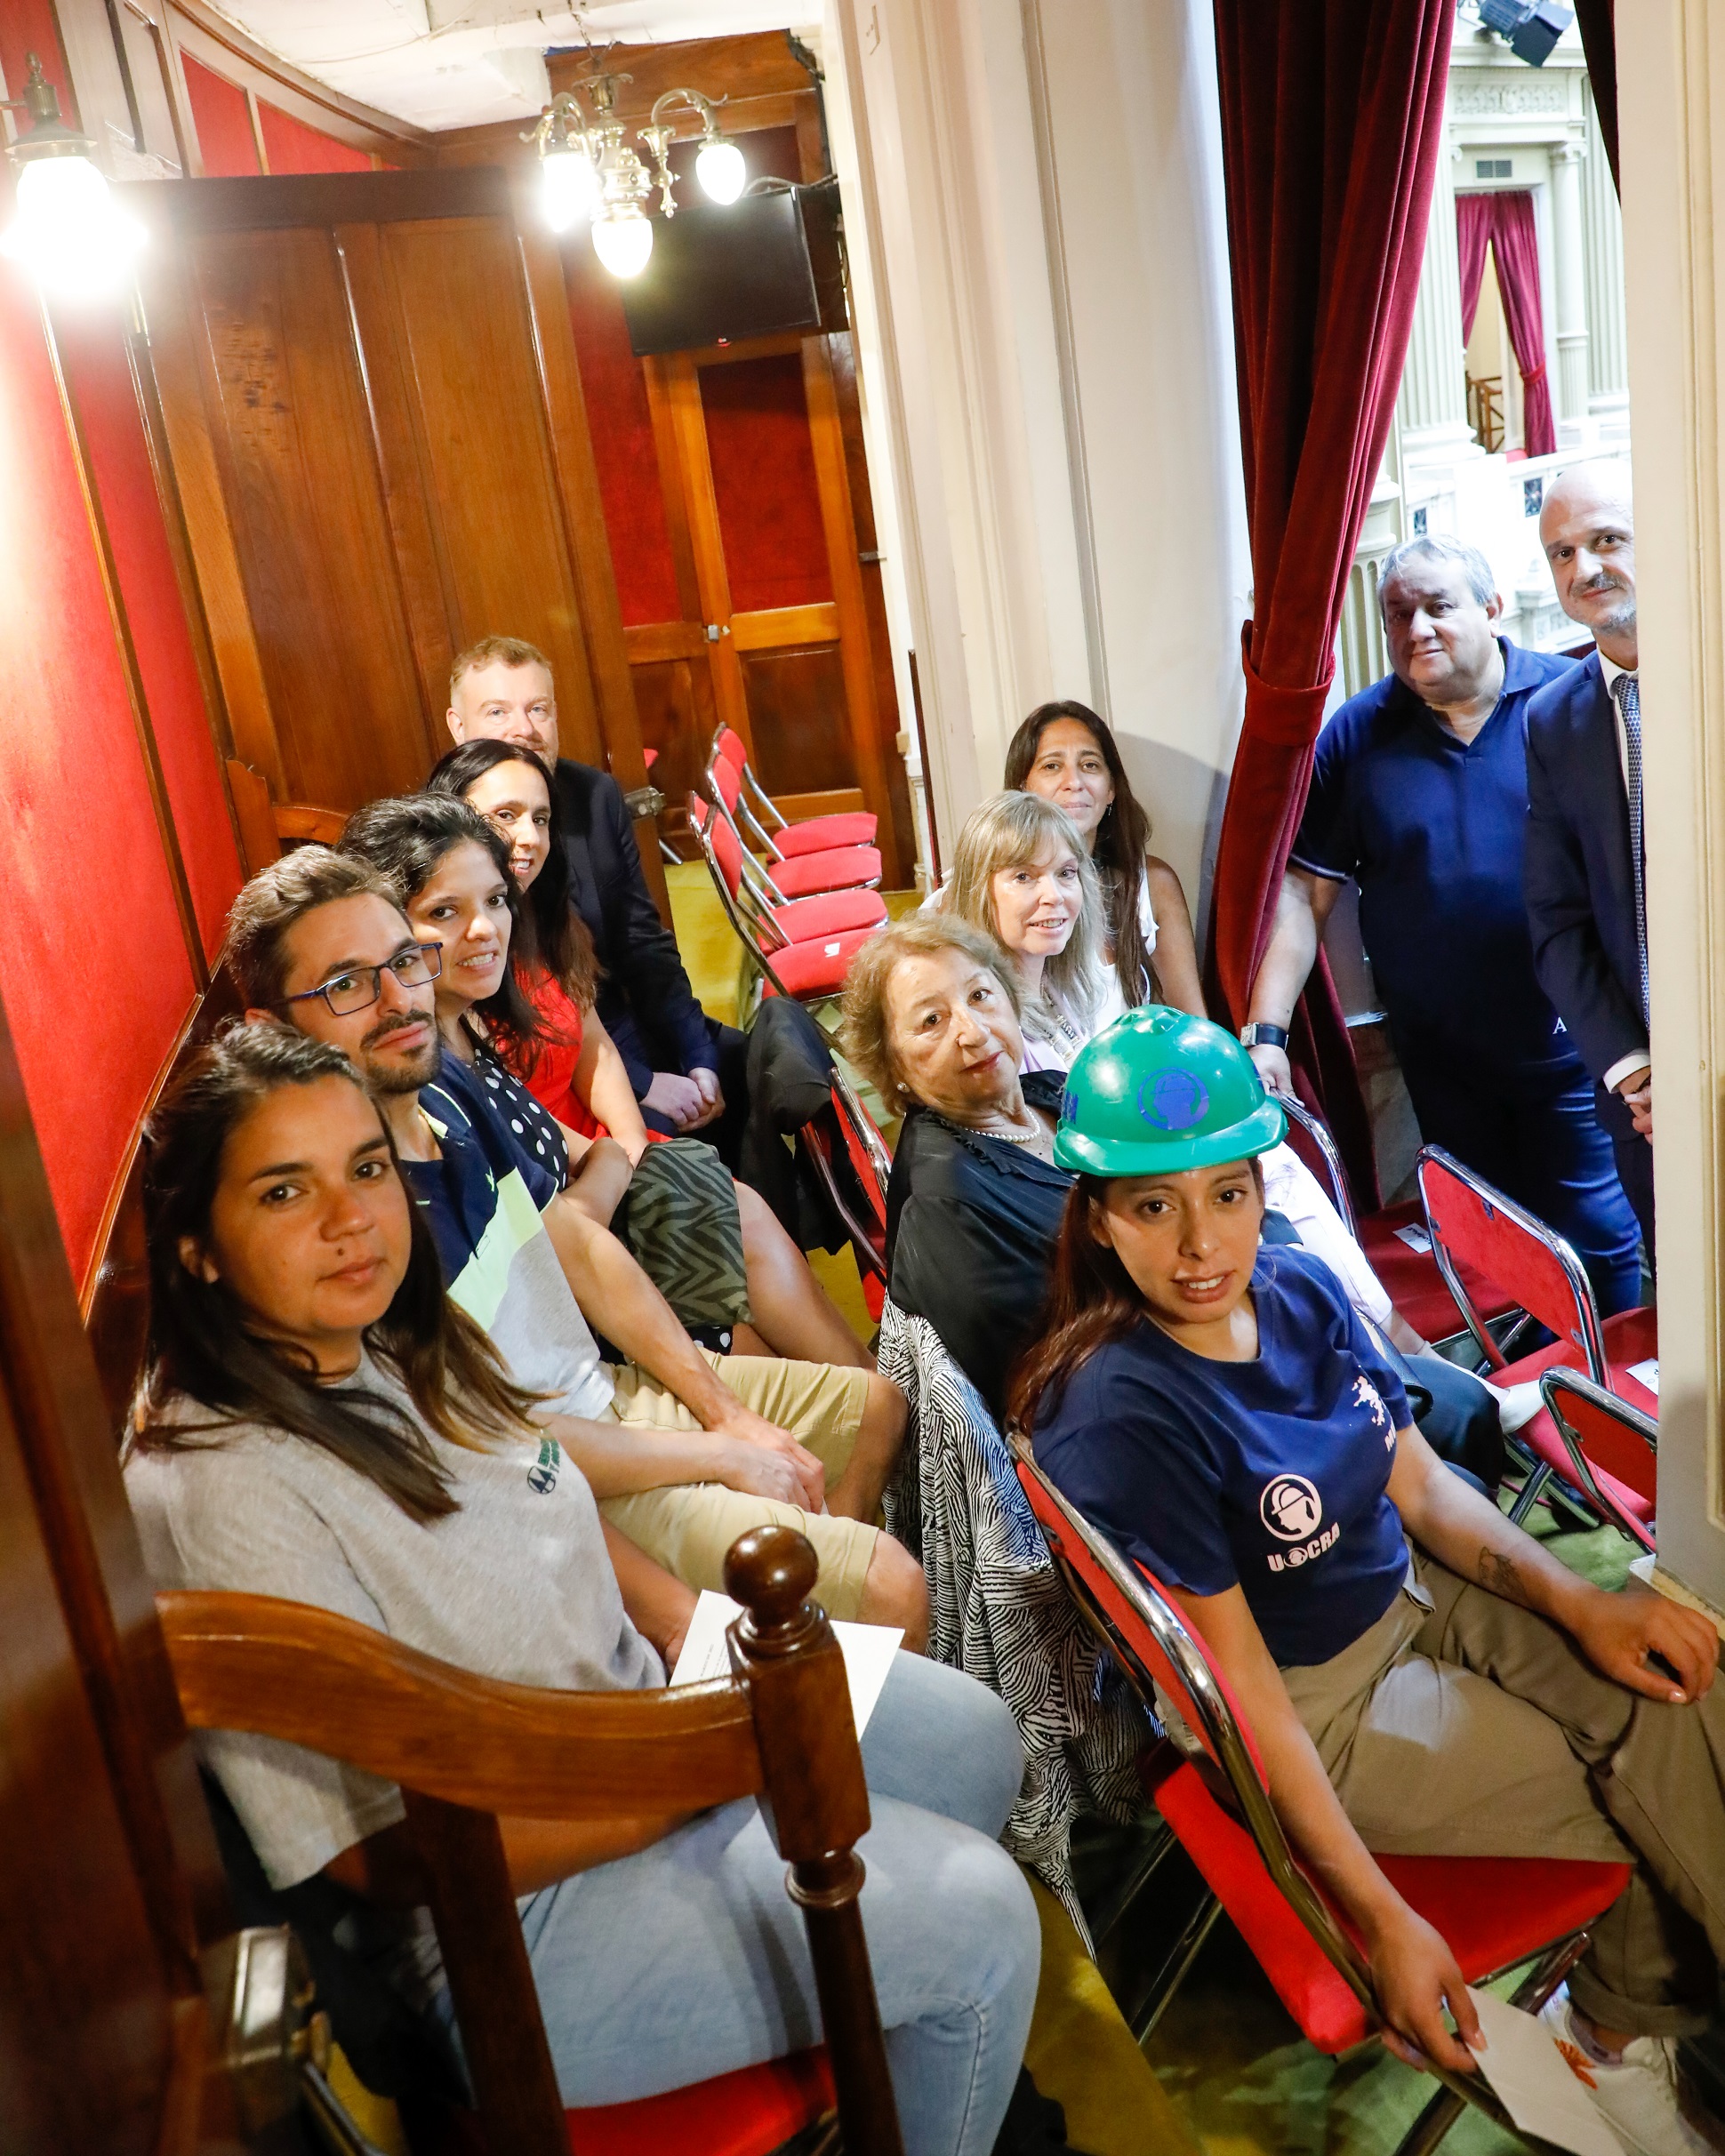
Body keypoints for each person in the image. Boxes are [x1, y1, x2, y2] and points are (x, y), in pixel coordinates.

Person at [120, 1022, 1039, 2152]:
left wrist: (688, 1638)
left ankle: (920, 2063)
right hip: (513, 1915)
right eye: (280, 1191)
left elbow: (547, 1493)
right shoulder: (219, 1485)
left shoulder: (381, 1337)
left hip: (639, 1727)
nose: (350, 1217)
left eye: (365, 1168)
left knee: (974, 1741)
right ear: (197, 1248)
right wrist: (704, 1766)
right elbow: (378, 1854)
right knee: (985, 1922)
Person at [1018, 1008, 1725, 2156]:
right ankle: (1614, 2031)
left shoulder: (1298, 1289)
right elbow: (1243, 1689)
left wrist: (1585, 1601)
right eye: (1155, 1205)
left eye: (1229, 1194)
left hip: (1415, 1595)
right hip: (1320, 1697)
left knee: (1692, 1698)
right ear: (1097, 1219)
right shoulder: (1122, 1411)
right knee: (1654, 1792)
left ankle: (1625, 2017)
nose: (1203, 1244)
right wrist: (1381, 1919)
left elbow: (1427, 1491)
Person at [223, 846, 923, 1640]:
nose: (399, 1001)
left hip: (602, 1399)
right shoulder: (356, 1232)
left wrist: (723, 1413)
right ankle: (799, 1673)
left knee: (877, 1407)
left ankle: (808, 1651)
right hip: (559, 1476)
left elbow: (577, 1247)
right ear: (268, 1029)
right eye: (347, 983)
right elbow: (505, 1446)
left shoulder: (442, 1079)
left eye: (404, 963)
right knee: (894, 1583)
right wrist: (721, 1456)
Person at [842, 918, 1505, 1491]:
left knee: (1453, 1405)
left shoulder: (1051, 1094)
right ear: (893, 1065)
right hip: (1167, 1414)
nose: (972, 1030)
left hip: (1222, 1325)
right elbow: (1058, 1373)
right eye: (931, 1020)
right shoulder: (947, 1201)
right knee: (1452, 1428)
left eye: (981, 995)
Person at [1241, 534, 1641, 1317]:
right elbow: (1302, 896)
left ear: (1492, 609)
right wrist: (1266, 1032)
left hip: (1576, 1053)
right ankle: (1526, 1414)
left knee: (1599, 1247)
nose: (1417, 627)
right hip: (1443, 1065)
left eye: (1438, 606)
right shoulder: (1357, 735)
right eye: (1398, 614)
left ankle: (1623, 1416)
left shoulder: (1570, 704)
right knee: (1489, 1259)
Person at [418, 750, 871, 1370]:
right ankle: (869, 1402)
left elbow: (592, 1038)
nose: (528, 837)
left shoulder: (535, 919)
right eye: (505, 815)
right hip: (561, 1185)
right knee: (747, 1309)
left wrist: (630, 1140)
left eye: (542, 818)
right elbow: (514, 1118)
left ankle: (874, 1396)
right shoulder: (463, 963)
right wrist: (614, 1160)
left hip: (601, 1152)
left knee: (741, 1211)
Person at [445, 634, 746, 1161]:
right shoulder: (449, 835)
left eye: (538, 708)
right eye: (498, 712)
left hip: (615, 1023)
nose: (524, 728)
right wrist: (648, 1084)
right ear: (458, 727)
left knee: (750, 1068)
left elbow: (644, 943)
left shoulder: (595, 795)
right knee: (684, 1149)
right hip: (556, 1059)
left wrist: (696, 1057)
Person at [1526, 463, 1656, 1262]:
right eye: (1562, 553)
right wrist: (1634, 1073)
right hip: (1641, 1101)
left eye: (1607, 539)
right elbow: (1556, 918)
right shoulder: (1553, 719)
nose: (1585, 569)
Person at [1005, 700, 1207, 1018]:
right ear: (1022, 787)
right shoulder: (991, 886)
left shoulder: (1153, 884)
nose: (1074, 782)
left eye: (1090, 765)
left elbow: (1194, 1027)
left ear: (1111, 788)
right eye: (1052, 766)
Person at [937, 792, 1109, 1071]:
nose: (1053, 896)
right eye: (1023, 877)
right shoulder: (981, 1028)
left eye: (1065, 873)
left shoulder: (1058, 983)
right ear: (979, 891)